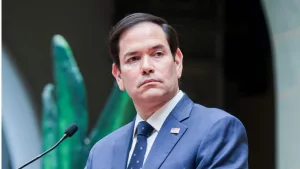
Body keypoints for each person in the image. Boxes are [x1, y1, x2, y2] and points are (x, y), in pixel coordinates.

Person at [84, 13, 248, 169]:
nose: (146, 67)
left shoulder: (217, 129)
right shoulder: (101, 152)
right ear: (118, 76)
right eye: (133, 59)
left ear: (177, 62)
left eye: (157, 54)